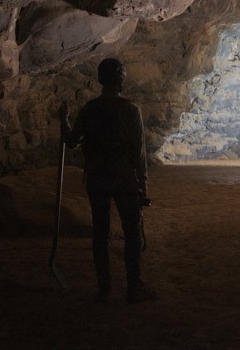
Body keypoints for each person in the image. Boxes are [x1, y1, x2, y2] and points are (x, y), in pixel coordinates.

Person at [59, 58, 155, 304]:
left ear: (100, 80)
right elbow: (138, 151)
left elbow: (70, 141)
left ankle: (104, 288)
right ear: (122, 79)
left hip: (97, 177)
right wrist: (142, 182)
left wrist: (63, 119)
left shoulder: (90, 109)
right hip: (123, 177)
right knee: (132, 233)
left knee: (100, 233)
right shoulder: (130, 110)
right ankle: (134, 287)